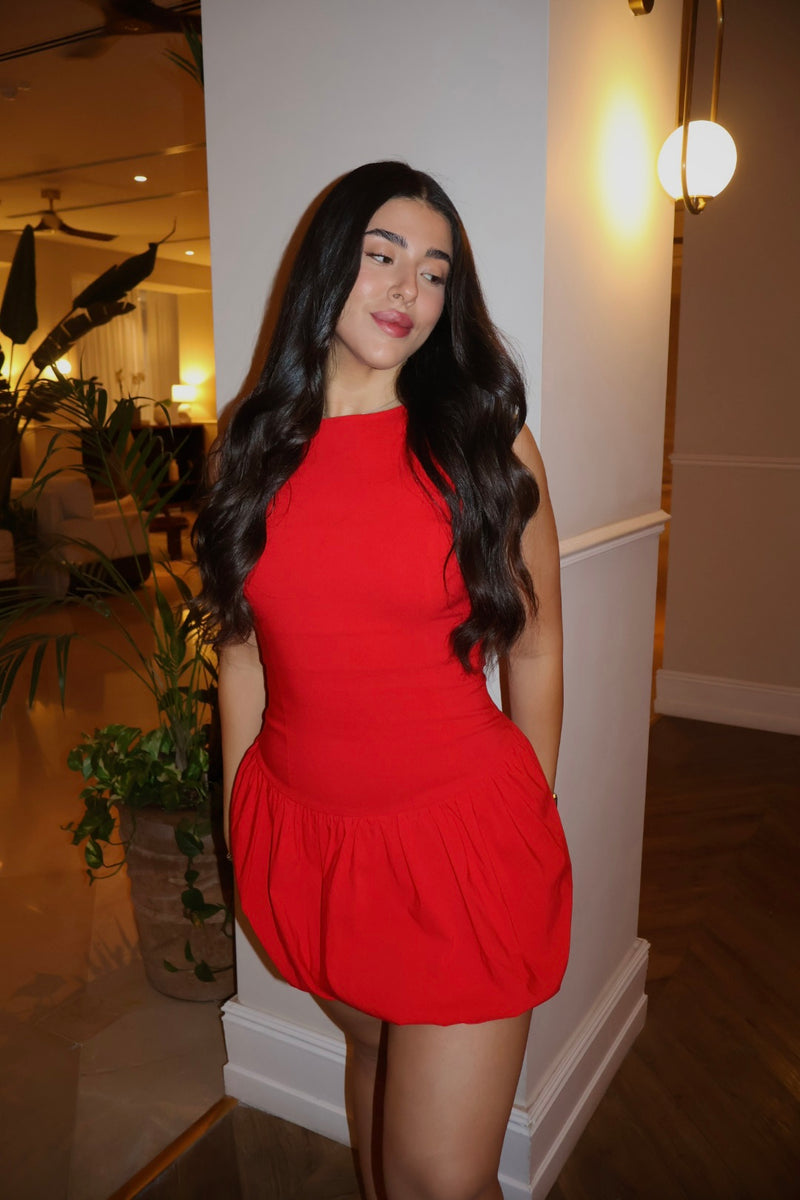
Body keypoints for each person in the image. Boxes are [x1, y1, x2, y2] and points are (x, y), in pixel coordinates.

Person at [193, 161, 572, 1200]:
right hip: (306, 842)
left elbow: (536, 649)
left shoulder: (485, 445)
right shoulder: (248, 447)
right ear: (328, 268)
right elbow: (239, 656)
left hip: (459, 847)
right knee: (374, 1063)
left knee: (436, 1180)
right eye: (382, 256)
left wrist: (527, 810)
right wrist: (242, 828)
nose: (410, 288)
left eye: (436, 272)